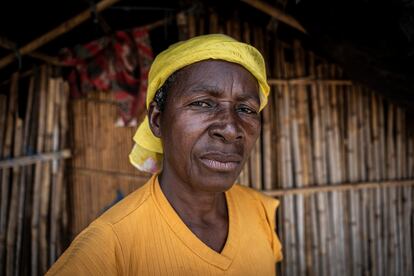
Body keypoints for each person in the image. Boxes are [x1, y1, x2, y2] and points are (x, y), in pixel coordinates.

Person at [47, 34, 283, 275]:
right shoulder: (108, 247)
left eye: (246, 109)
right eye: (203, 103)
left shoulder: (259, 211)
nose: (231, 129)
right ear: (157, 120)